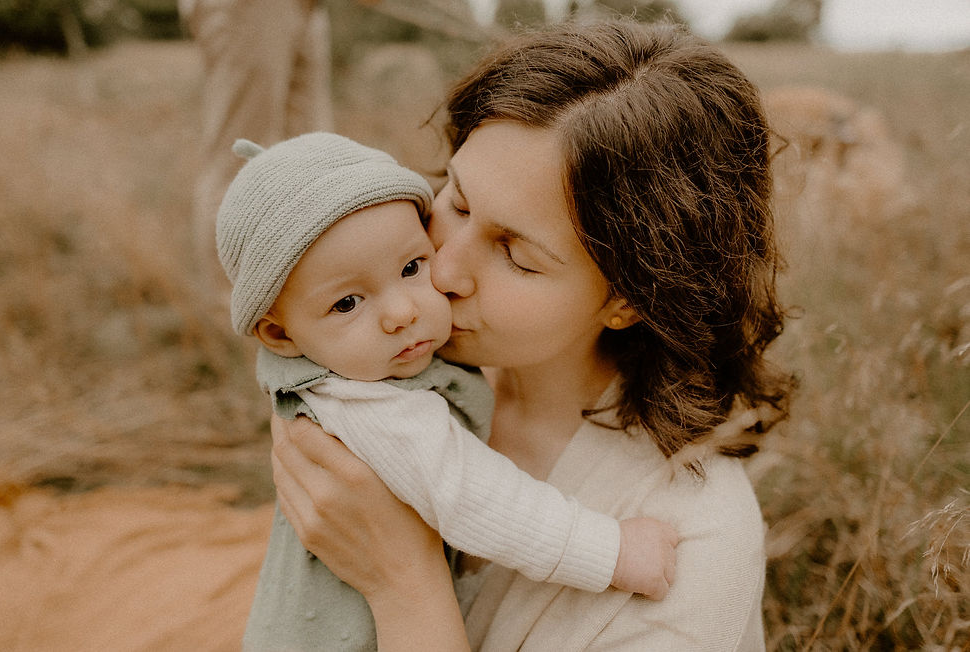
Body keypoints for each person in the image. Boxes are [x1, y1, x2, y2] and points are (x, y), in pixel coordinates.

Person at [265, 18, 792, 651]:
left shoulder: (694, 542)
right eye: (457, 201)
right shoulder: (399, 373)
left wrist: (404, 585)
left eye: (516, 254)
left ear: (628, 299)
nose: (446, 269)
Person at [215, 132, 680, 650]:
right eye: (347, 303)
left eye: (412, 267)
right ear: (279, 334)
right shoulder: (371, 408)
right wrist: (611, 552)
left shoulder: (353, 362)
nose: (402, 313)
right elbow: (475, 496)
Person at [180, 0, 335, 304]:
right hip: (246, 7)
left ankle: (300, 298)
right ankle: (232, 308)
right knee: (238, 155)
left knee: (314, 155)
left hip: (304, 8)